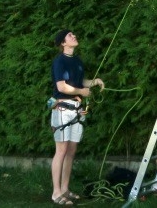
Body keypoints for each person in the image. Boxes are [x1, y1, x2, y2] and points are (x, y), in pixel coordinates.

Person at [50, 29, 105, 205]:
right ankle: (56, 192)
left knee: (71, 151)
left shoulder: (77, 61)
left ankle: (65, 189)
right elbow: (62, 87)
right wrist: (82, 92)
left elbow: (80, 83)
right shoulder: (59, 61)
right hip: (62, 110)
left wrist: (95, 82)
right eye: (69, 35)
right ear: (63, 43)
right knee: (61, 151)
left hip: (77, 110)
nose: (74, 36)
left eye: (73, 34)